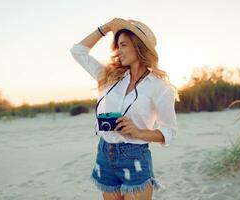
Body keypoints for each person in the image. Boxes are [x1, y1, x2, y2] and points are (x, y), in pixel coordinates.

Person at [70, 18, 178, 200]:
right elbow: (77, 51)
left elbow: (169, 132)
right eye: (118, 46)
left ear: (138, 46)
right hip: (105, 153)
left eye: (123, 45)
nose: (118, 51)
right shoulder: (108, 77)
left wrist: (138, 132)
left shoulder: (159, 87)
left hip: (135, 155)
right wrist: (105, 28)